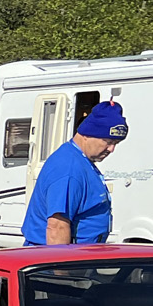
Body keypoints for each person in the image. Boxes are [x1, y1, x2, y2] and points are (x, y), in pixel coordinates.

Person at [21, 101, 128, 246]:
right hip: (59, 255)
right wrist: (62, 262)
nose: (111, 149)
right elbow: (57, 227)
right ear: (87, 134)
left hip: (83, 253)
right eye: (108, 141)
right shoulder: (68, 168)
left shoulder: (80, 160)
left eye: (116, 143)